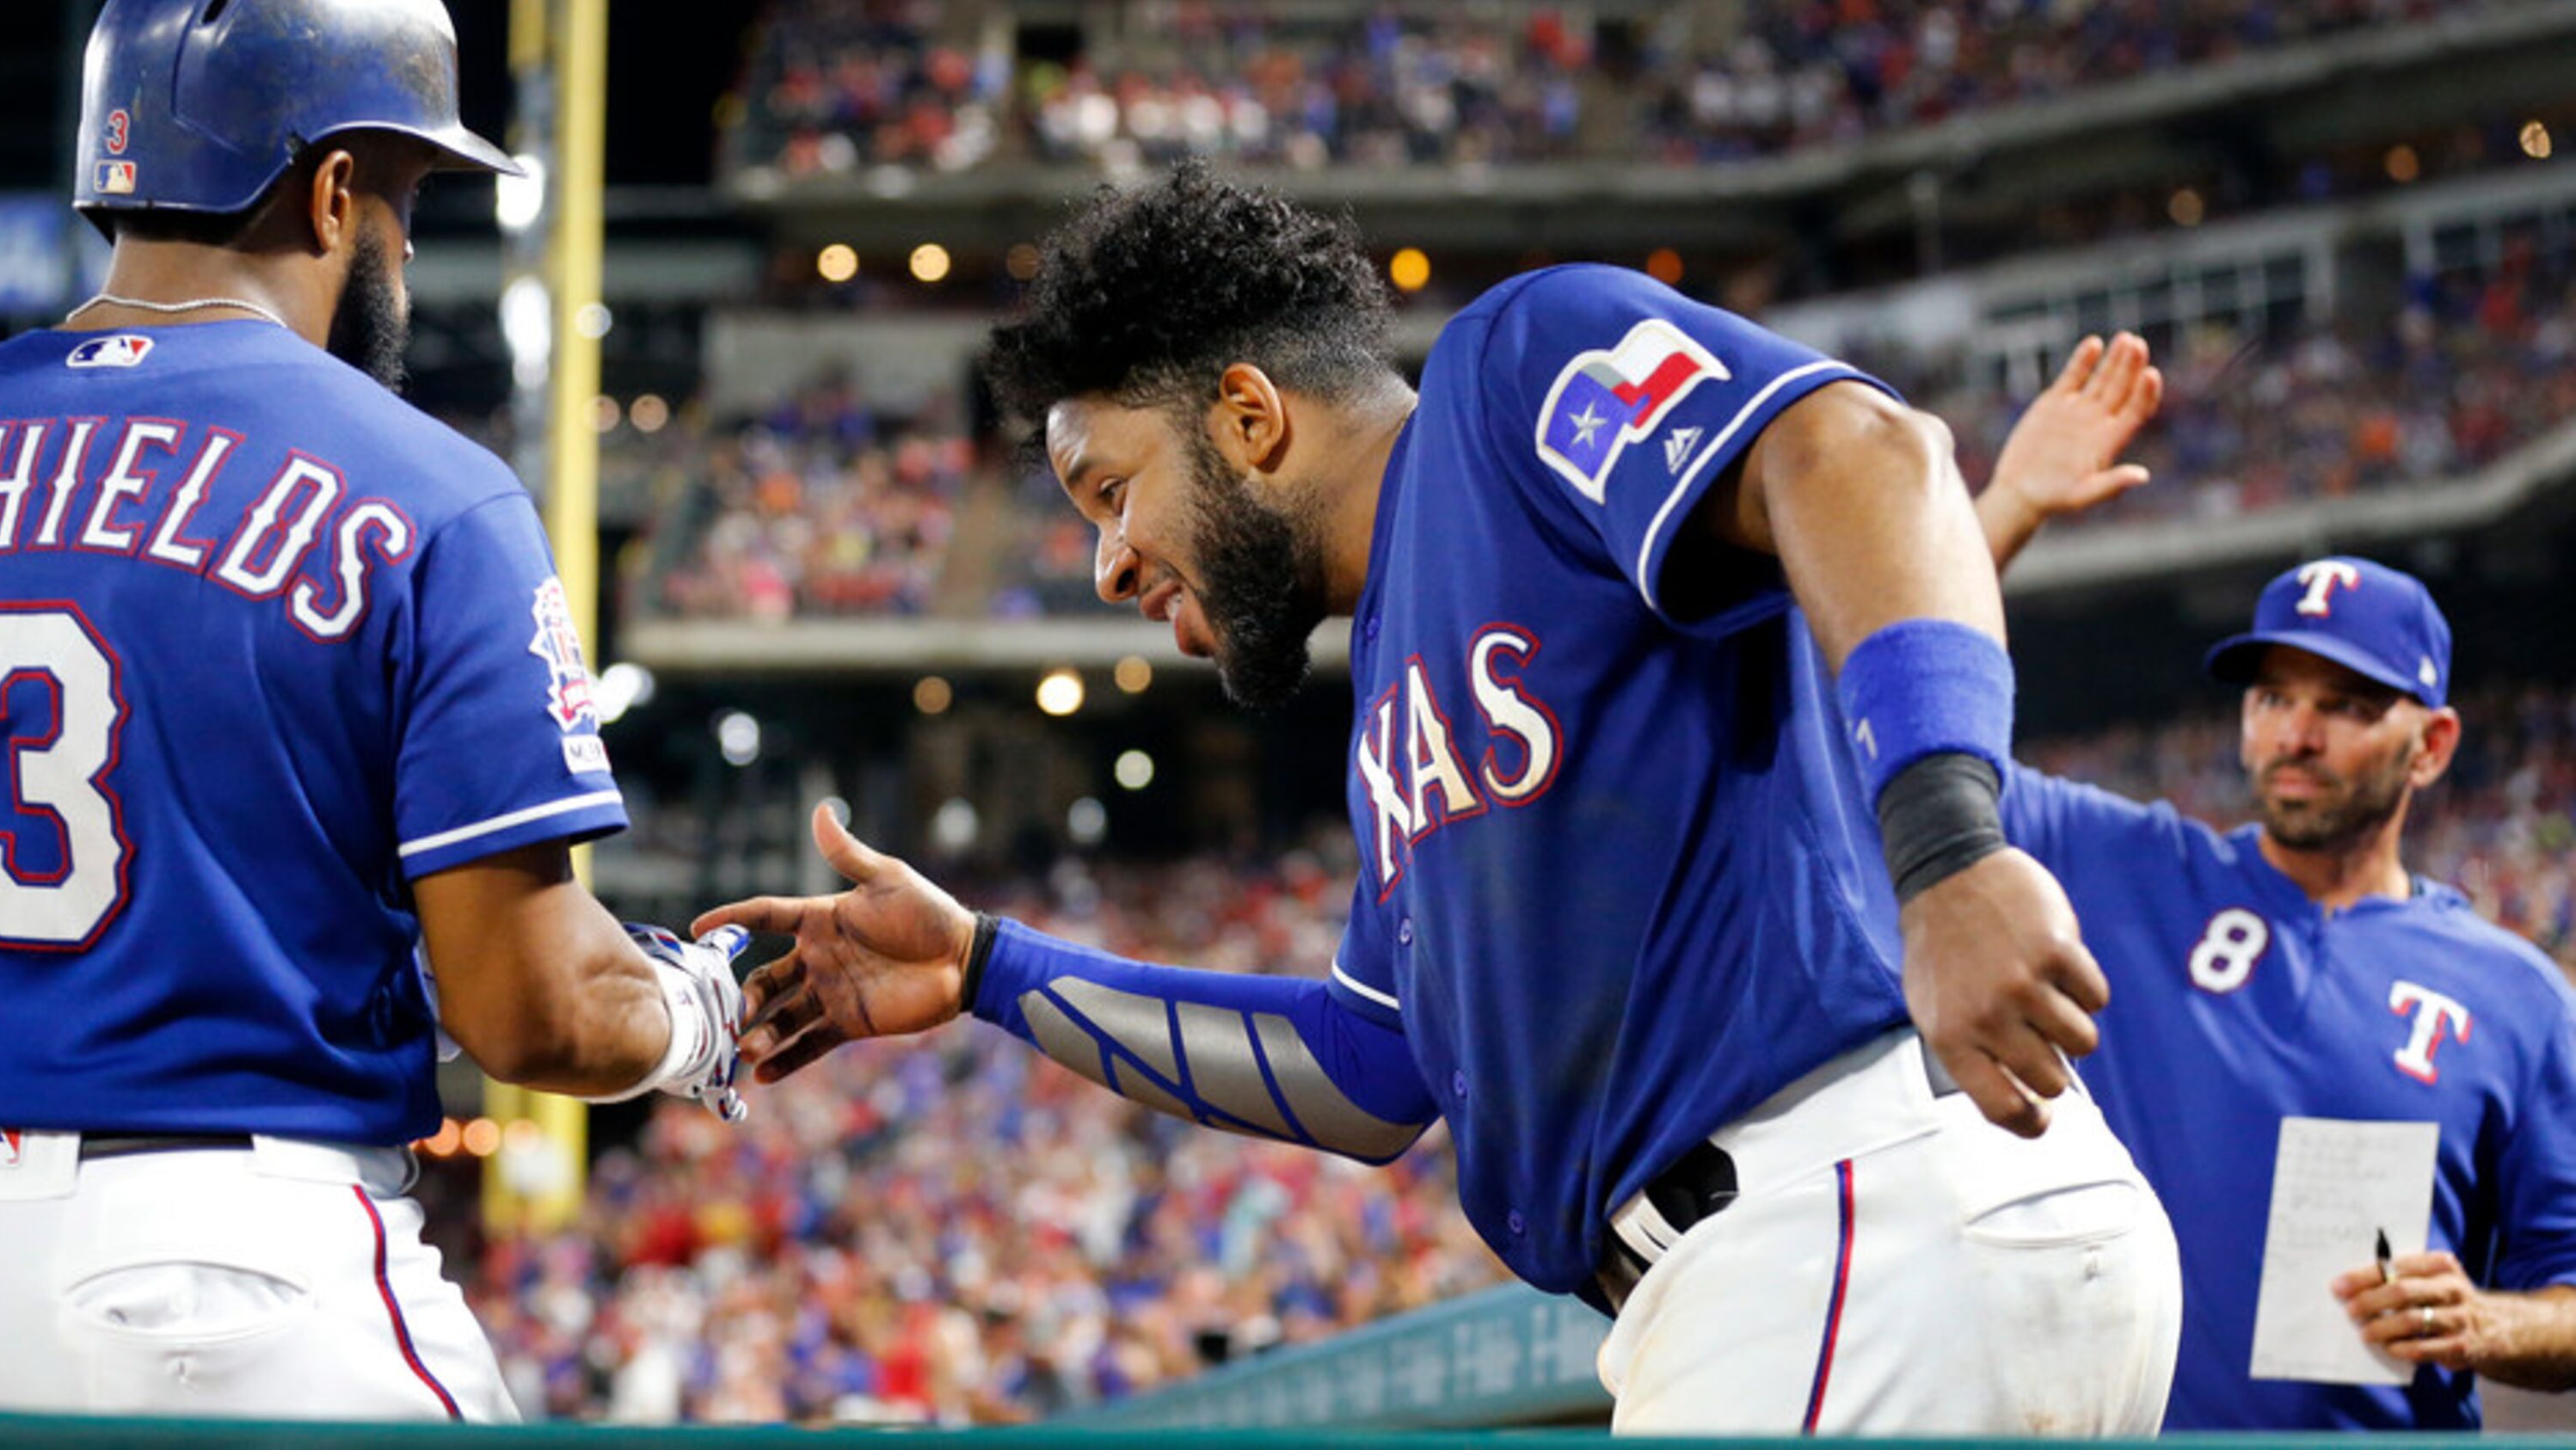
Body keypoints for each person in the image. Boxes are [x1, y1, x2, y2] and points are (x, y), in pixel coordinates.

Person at [698, 161, 2181, 1433]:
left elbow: (1860, 449)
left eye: (1108, 489)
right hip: (1851, 1246)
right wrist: (987, 971)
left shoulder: (1507, 369)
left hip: (1843, 1224)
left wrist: (1948, 843)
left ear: (1247, 418)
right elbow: (1365, 1070)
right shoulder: (1402, 669)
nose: (1107, 561)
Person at [0, 0, 747, 1420]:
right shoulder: (425, 488)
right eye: (405, 199)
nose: (403, 248)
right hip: (231, 1278)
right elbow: (529, 1013)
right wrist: (704, 1013)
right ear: (333, 188)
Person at [1977, 335, 2576, 1429]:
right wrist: (2009, 504)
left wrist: (2491, 1323)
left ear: (2433, 745)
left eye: (2347, 704)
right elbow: (1872, 716)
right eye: (2271, 695)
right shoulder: (2131, 870)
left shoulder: (2518, 996)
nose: (2296, 732)